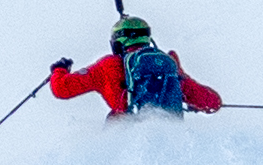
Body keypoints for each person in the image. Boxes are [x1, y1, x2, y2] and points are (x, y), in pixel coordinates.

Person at [47, 11, 220, 118]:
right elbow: (212, 102)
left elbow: (62, 89)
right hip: (170, 137)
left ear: (117, 42)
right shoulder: (168, 63)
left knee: (113, 119)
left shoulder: (108, 66)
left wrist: (59, 70)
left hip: (127, 134)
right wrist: (192, 102)